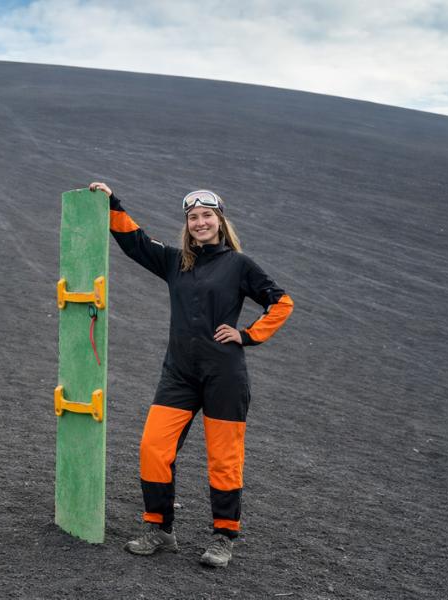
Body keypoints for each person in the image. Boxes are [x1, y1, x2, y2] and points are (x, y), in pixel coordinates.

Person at [88, 181, 293, 568]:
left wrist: (247, 335)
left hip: (224, 377)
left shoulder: (239, 264)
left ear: (220, 221)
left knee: (224, 459)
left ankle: (223, 537)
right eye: (193, 217)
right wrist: (111, 201)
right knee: (153, 448)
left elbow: (281, 302)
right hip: (179, 374)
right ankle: (160, 530)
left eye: (207, 216)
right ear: (187, 224)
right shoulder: (174, 262)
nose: (200, 222)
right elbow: (134, 241)